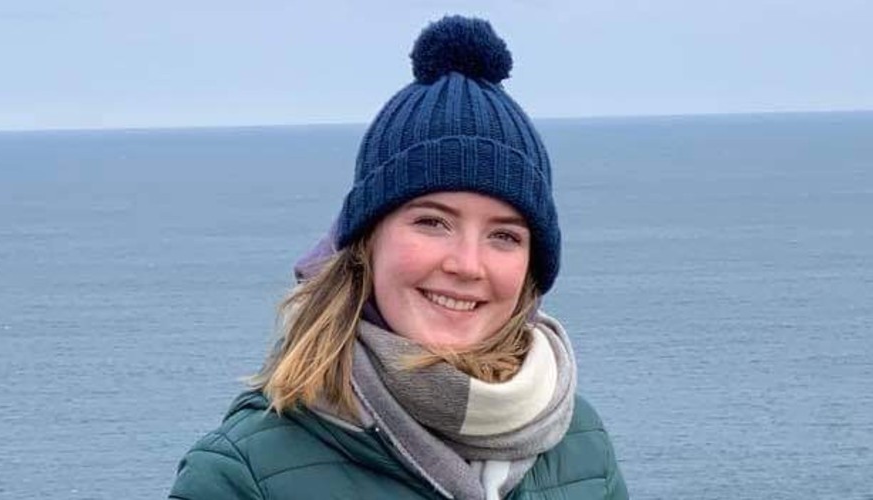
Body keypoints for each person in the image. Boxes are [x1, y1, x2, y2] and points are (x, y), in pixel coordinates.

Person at [169, 15, 628, 500]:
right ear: (366, 241)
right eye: (432, 222)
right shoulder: (241, 475)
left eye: (505, 236)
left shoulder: (580, 443)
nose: (467, 264)